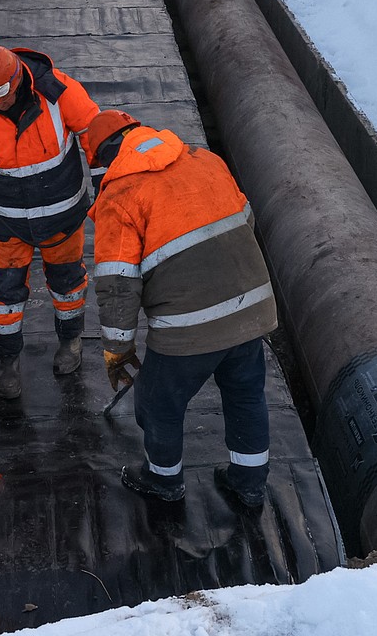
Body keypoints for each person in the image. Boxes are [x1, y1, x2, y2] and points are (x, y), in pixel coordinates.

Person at [88, 111, 277, 511]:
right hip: (250, 309)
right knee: (245, 395)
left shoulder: (120, 196)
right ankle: (249, 483)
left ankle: (162, 480)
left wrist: (117, 350)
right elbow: (246, 221)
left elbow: (118, 286)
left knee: (157, 403)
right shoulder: (206, 161)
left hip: (189, 326)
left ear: (106, 159)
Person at [0, 45, 99, 400]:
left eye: (2, 98)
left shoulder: (59, 93)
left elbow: (95, 134)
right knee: (4, 293)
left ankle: (71, 342)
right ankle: (7, 362)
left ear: (17, 83)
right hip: (9, 222)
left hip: (62, 216)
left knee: (67, 282)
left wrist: (107, 183)